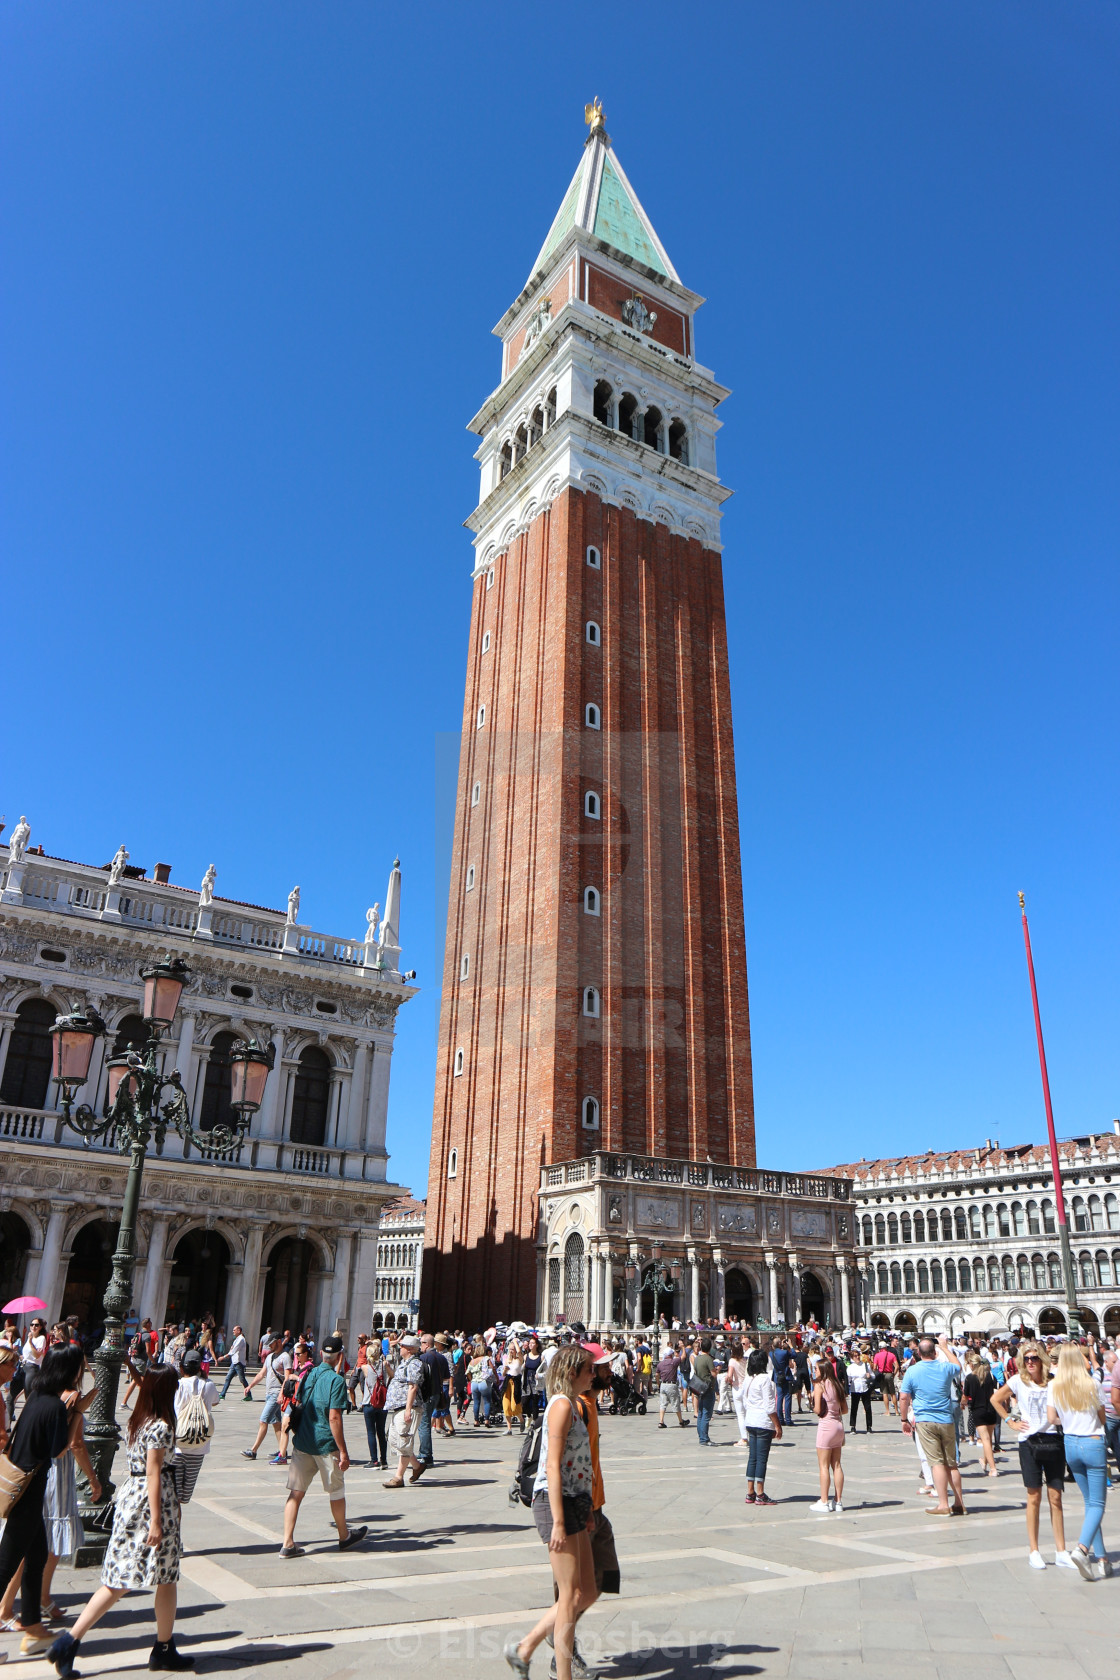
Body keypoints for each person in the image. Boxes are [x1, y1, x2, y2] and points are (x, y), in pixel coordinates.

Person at [47, 1366, 190, 1676]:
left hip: (133, 1497)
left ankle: (162, 1646)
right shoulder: (162, 1425)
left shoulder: (138, 1419)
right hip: (152, 1504)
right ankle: (72, 1641)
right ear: (166, 1390)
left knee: (149, 1577)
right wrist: (156, 1520)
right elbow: (154, 1471)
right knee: (142, 1577)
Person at [504, 1346, 596, 1680]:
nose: (593, 1374)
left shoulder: (572, 1404)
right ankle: (562, 1674)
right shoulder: (560, 1405)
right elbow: (552, 1467)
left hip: (573, 1502)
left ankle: (524, 1648)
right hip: (554, 1502)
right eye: (588, 1369)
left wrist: (585, 1508)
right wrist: (558, 1520)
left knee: (584, 1589)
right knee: (571, 1595)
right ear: (572, 1372)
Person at [0, 1348, 76, 1654]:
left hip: (24, 1488)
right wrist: (79, 1411)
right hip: (30, 1493)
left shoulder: (33, 1397)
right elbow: (59, 1450)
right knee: (6, 1565)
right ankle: (30, 1626)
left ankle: (32, 1627)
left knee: (36, 1558)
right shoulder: (55, 1407)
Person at [278, 1335, 366, 1561]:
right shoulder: (336, 1381)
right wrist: (343, 1451)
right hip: (325, 1444)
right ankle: (344, 1535)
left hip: (303, 1441)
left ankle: (287, 1543)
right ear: (340, 1356)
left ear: (320, 1354)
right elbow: (334, 1417)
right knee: (336, 1492)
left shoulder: (309, 1374)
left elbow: (298, 1401)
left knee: (295, 1493)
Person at [991, 1339, 1073, 1572]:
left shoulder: (1054, 1382)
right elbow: (996, 1399)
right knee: (1033, 1497)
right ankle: (1034, 1550)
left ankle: (1061, 1550)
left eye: (1034, 1358)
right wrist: (1010, 1421)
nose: (1030, 1362)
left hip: (1054, 1440)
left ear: (1042, 1360)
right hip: (1029, 1443)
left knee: (1056, 1498)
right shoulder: (1017, 1381)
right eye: (1026, 1359)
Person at [1046, 1343, 1109, 1580]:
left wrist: (1070, 1421)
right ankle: (1082, 1549)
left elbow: (1052, 1418)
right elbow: (1102, 1418)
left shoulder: (1054, 1385)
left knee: (1090, 1503)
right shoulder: (1092, 1383)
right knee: (1098, 1504)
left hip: (1071, 1444)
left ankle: (1102, 1559)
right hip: (1093, 1442)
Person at [899, 1335, 966, 1518]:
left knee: (936, 1463)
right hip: (946, 1419)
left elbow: (904, 1397)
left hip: (925, 1421)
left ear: (919, 1353)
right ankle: (959, 1503)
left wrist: (904, 1420)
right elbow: (959, 1366)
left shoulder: (912, 1371)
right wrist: (945, 1347)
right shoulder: (944, 1367)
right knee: (951, 1464)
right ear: (934, 1353)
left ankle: (943, 1504)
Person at [172, 1351, 218, 1506]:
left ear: (182, 1367)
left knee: (174, 1495)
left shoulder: (177, 1385)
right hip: (199, 1445)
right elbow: (215, 1402)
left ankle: (172, 1527)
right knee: (184, 1497)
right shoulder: (209, 1385)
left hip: (178, 1444)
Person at [383, 1333, 425, 1488]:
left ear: (409, 1349)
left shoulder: (414, 1364)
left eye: (402, 1346)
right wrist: (388, 1369)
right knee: (395, 1439)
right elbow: (398, 1379)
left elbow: (412, 1386)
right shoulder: (404, 1363)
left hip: (408, 1407)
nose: (399, 1347)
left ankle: (398, 1477)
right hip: (397, 1407)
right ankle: (417, 1466)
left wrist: (408, 1409)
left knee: (403, 1440)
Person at [740, 1350, 782, 1505]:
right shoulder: (765, 1379)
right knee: (762, 1459)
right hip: (763, 1422)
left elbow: (745, 1402)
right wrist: (778, 1425)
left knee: (753, 1457)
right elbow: (770, 1405)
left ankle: (750, 1492)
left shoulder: (748, 1379)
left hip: (750, 1420)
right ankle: (760, 1493)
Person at [241, 1335, 290, 1461]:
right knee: (276, 1424)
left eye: (272, 1343)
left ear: (279, 1341)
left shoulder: (285, 1357)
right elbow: (262, 1373)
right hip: (269, 1394)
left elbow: (288, 1377)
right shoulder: (269, 1357)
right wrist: (250, 1386)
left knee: (263, 1420)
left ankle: (254, 1450)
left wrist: (281, 1394)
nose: (269, 1346)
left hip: (276, 1394)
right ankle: (282, 1451)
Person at [809, 1353, 847, 1514]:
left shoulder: (820, 1385)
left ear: (822, 1370)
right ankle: (838, 1501)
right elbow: (844, 1409)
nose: (815, 1372)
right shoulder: (837, 1384)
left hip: (826, 1426)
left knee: (823, 1466)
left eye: (816, 1369)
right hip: (838, 1425)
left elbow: (818, 1409)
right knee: (836, 1465)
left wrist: (812, 1404)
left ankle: (824, 1501)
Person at [354, 1342, 390, 1468]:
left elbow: (362, 1372)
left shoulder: (365, 1368)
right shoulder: (385, 1365)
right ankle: (384, 1460)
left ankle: (374, 1460)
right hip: (382, 1404)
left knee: (371, 1432)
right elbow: (393, 1375)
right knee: (381, 1431)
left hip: (369, 1403)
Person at [962, 1354, 999, 1477]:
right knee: (988, 1439)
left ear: (972, 1364)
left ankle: (993, 1468)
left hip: (978, 1410)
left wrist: (962, 1404)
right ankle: (984, 1460)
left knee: (985, 1440)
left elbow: (965, 1396)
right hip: (991, 1410)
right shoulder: (989, 1375)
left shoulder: (969, 1378)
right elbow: (997, 1390)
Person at [418, 1331, 451, 1463]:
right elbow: (446, 1376)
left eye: (421, 1343)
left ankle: (425, 1454)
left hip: (427, 1394)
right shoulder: (442, 1358)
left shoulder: (424, 1358)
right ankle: (424, 1452)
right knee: (426, 1422)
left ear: (426, 1344)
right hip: (437, 1393)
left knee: (424, 1424)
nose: (420, 1346)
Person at [214, 1325, 250, 1402]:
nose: (233, 1331)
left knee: (242, 1379)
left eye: (234, 1330)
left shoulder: (241, 1339)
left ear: (239, 1331)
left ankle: (249, 1395)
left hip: (238, 1362)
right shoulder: (236, 1339)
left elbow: (233, 1351)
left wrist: (223, 1357)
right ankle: (222, 1394)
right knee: (228, 1378)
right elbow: (232, 1349)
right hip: (234, 1362)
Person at [692, 1337, 717, 1446]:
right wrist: (718, 1368)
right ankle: (704, 1438)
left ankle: (701, 1436)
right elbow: (714, 1374)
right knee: (706, 1413)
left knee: (701, 1413)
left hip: (699, 1387)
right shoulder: (708, 1359)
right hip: (708, 1388)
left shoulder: (697, 1358)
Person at [467, 1337, 497, 1428]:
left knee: (476, 1402)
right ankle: (487, 1420)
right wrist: (496, 1378)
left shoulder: (472, 1361)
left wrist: (471, 1379)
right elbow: (493, 1368)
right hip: (483, 1382)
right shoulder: (486, 1358)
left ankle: (476, 1421)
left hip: (474, 1383)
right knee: (487, 1401)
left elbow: (467, 1372)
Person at [656, 1344, 686, 1428]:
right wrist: (683, 1347)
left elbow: (656, 1375)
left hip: (663, 1385)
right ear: (671, 1354)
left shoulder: (660, 1364)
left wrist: (658, 1383)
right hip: (671, 1385)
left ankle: (661, 1421)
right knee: (676, 1403)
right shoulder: (674, 1362)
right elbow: (683, 1357)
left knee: (663, 1404)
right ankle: (681, 1421)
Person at [873, 1341, 899, 1417]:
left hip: (882, 1374)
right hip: (890, 1374)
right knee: (892, 1393)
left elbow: (874, 1367)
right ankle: (896, 1411)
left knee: (885, 1393)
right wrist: (893, 1374)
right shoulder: (891, 1355)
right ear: (886, 1347)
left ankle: (888, 1411)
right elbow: (897, 1366)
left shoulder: (877, 1355)